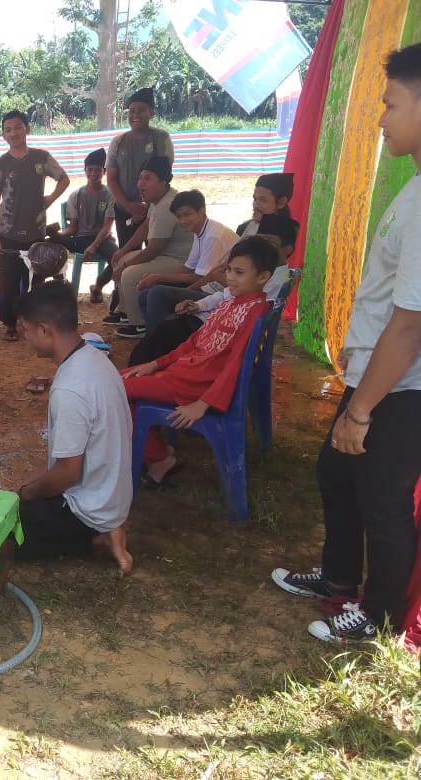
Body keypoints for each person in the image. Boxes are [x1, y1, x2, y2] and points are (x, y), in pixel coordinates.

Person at [271, 44, 421, 643]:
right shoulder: (413, 187)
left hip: (399, 386)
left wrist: (361, 410)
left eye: (390, 104)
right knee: (335, 473)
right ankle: (338, 577)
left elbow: (410, 324)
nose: (381, 118)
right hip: (377, 376)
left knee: (383, 503)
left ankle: (379, 619)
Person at [122, 236, 278, 487]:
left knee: (113, 391)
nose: (230, 277)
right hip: (183, 374)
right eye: (229, 270)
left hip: (193, 384)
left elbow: (236, 364)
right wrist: (155, 364)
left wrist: (203, 403)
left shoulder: (255, 311)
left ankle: (158, 458)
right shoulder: (230, 303)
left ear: (263, 277)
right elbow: (193, 343)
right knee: (117, 380)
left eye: (239, 272)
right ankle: (156, 451)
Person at [14, 280, 133, 574]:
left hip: (87, 509)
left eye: (26, 331)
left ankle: (93, 538)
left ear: (44, 330)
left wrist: (27, 495)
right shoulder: (95, 358)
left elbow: (67, 473)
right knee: (18, 501)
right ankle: (107, 528)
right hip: (113, 497)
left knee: (1, 538)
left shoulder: (69, 389)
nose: (26, 339)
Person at [129, 214, 299, 368]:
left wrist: (216, 288)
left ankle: (146, 373)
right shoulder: (265, 273)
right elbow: (222, 293)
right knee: (162, 330)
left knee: (162, 332)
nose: (263, 250)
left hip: (215, 330)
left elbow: (238, 314)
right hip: (210, 317)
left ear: (287, 249)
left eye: (270, 243)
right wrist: (198, 305)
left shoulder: (268, 279)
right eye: (260, 242)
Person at [0, 110, 70, 342]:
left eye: (17, 127)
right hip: (7, 233)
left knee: (36, 281)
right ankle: (9, 324)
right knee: (9, 281)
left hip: (36, 232)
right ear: (3, 135)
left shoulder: (42, 158)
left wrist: (51, 198)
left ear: (27, 129)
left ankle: (34, 322)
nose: (13, 133)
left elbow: (63, 179)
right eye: (8, 129)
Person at [106, 156, 194, 338]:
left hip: (179, 260)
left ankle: (140, 324)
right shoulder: (158, 200)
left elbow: (154, 249)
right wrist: (123, 251)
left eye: (147, 179)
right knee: (122, 259)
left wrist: (124, 267)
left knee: (128, 273)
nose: (140, 184)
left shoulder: (166, 206)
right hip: (165, 255)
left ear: (163, 181)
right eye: (140, 178)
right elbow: (145, 226)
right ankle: (125, 312)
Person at [135, 189, 239, 334]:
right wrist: (157, 277)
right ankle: (158, 336)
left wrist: (164, 280)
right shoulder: (200, 230)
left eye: (187, 214)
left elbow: (202, 278)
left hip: (221, 294)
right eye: (179, 216)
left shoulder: (213, 236)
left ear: (202, 211)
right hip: (209, 286)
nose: (183, 221)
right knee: (147, 294)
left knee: (157, 293)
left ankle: (156, 340)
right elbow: (189, 267)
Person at [47, 147, 118, 304]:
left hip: (102, 238)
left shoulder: (110, 195)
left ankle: (98, 285)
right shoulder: (76, 195)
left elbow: (107, 227)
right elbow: (73, 228)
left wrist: (94, 246)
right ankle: (60, 281)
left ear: (104, 172)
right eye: (90, 169)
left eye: (98, 170)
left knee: (119, 259)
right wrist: (57, 235)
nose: (93, 173)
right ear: (85, 170)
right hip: (80, 239)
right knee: (45, 244)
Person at [107, 87, 175, 249]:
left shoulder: (161, 138)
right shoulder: (118, 142)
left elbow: (164, 177)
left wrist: (147, 208)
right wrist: (129, 206)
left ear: (151, 113)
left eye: (141, 110)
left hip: (154, 210)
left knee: (153, 255)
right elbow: (111, 179)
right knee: (127, 253)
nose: (135, 115)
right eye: (131, 111)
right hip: (124, 209)